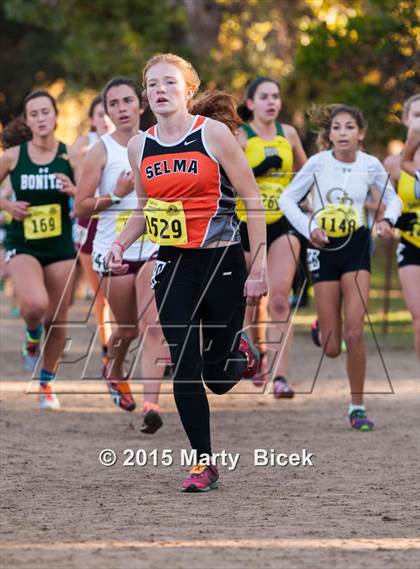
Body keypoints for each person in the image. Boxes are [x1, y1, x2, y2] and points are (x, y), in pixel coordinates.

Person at [106, 54, 268, 492]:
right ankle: (203, 463)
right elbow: (144, 210)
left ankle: (239, 350)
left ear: (188, 91)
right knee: (184, 364)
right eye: (152, 84)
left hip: (222, 260)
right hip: (174, 261)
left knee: (218, 377)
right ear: (146, 96)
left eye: (169, 83)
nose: (160, 90)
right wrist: (120, 243)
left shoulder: (212, 134)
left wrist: (260, 266)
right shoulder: (139, 145)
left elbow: (252, 199)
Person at [280, 104, 401, 431]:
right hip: (323, 247)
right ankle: (324, 325)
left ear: (360, 133)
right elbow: (286, 200)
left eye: (350, 127)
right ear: (329, 134)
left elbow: (394, 199)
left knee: (355, 332)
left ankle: (357, 406)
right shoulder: (317, 164)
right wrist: (309, 230)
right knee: (333, 348)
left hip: (357, 245)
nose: (343, 133)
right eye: (337, 128)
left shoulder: (370, 164)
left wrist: (387, 220)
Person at [75, 77, 168, 434]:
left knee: (153, 326)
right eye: (114, 104)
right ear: (107, 111)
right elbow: (81, 206)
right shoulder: (100, 151)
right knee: (126, 328)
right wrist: (116, 193)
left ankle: (151, 406)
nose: (122, 108)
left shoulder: (159, 142)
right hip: (114, 252)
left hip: (154, 245)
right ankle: (113, 370)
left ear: (141, 104)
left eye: (128, 101)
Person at [0, 92, 77, 410]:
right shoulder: (14, 156)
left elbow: (89, 194)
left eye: (46, 111)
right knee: (34, 306)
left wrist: (73, 190)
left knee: (58, 320)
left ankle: (46, 383)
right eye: (34, 113)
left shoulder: (71, 156)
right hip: (23, 243)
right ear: (27, 120)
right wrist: (7, 204)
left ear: (56, 116)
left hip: (60, 246)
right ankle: (32, 339)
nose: (41, 118)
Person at [236, 77, 307, 395]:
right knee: (249, 300)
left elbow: (307, 172)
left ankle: (280, 377)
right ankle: (257, 356)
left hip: (281, 223)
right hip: (245, 224)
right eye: (264, 96)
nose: (271, 102)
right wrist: (261, 167)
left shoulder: (288, 134)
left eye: (276, 96)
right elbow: (225, 178)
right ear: (250, 103)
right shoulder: (239, 135)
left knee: (278, 299)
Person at [70, 95, 113, 362]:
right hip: (90, 223)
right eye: (100, 114)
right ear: (92, 119)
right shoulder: (83, 145)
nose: (105, 119)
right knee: (101, 295)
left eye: (108, 113)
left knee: (123, 293)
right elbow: (78, 183)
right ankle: (107, 348)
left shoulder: (130, 143)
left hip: (119, 221)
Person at [384, 94, 420, 356]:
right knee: (419, 316)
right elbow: (379, 205)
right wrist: (394, 219)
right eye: (416, 115)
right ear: (407, 119)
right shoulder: (394, 164)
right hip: (411, 243)